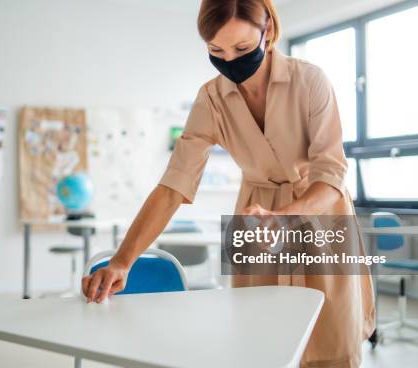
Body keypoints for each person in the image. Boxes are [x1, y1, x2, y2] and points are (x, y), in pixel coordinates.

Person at [82, 0, 375, 366]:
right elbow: (174, 185)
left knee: (330, 339)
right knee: (262, 339)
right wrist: (123, 261)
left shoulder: (310, 80)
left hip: (318, 212)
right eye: (216, 50)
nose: (230, 61)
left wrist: (283, 217)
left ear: (267, 30)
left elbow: (331, 174)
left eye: (242, 49)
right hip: (255, 215)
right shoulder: (211, 99)